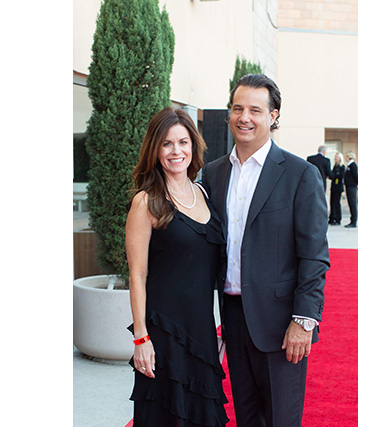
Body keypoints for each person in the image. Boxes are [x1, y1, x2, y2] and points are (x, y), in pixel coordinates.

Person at [202, 74, 330, 427]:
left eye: (255, 110)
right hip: (232, 317)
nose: (244, 117)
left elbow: (314, 255)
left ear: (273, 116)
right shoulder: (213, 174)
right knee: (247, 418)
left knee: (280, 420)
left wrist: (303, 321)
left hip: (281, 323)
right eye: (237, 108)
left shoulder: (300, 174)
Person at [126, 107, 229, 427]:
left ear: (193, 146)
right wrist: (141, 339)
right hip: (163, 332)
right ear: (155, 149)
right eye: (167, 143)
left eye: (183, 142)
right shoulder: (146, 202)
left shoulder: (204, 194)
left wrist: (222, 332)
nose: (176, 151)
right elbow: (137, 275)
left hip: (202, 330)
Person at [329, 152, 345, 225]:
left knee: (336, 203)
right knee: (332, 202)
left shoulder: (342, 167)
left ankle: (337, 218)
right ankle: (332, 218)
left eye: (337, 157)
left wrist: (334, 175)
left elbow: (340, 176)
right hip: (333, 187)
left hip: (338, 187)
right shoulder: (335, 166)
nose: (336, 158)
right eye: (335, 157)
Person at [344, 151, 358, 228]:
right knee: (350, 203)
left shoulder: (353, 166)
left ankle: (354, 221)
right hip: (349, 186)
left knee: (353, 204)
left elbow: (356, 176)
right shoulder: (349, 165)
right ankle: (352, 220)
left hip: (352, 187)